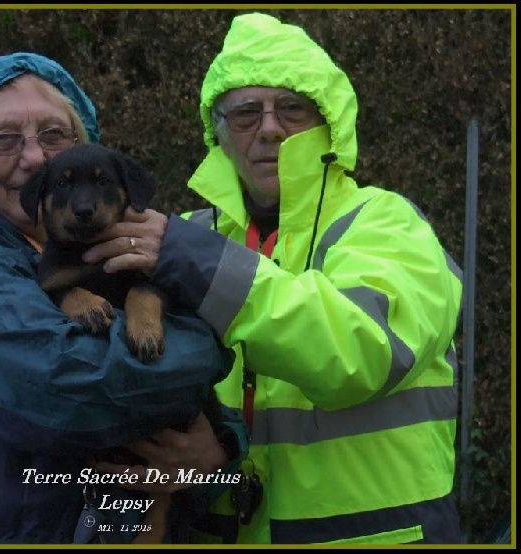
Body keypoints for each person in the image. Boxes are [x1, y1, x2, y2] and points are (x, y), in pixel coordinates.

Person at [84, 12, 463, 545]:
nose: (268, 128)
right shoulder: (183, 239)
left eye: (292, 107)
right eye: (244, 113)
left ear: (330, 123)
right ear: (217, 132)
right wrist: (216, 458)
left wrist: (200, 265)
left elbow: (361, 350)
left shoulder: (386, 223)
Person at [0, 52, 248, 544]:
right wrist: (210, 341)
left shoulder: (109, 249)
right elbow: (66, 388)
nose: (36, 158)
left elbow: (195, 420)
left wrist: (217, 450)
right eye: (5, 140)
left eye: (54, 135)